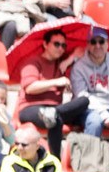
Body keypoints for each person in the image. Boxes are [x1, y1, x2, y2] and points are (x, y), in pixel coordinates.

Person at [14, 27, 89, 158]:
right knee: (54, 118)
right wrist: (56, 82)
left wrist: (69, 59)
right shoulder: (32, 62)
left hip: (55, 108)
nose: (60, 48)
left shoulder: (62, 63)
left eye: (63, 45)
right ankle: (56, 160)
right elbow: (30, 87)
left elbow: (83, 50)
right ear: (45, 44)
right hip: (31, 108)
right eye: (56, 44)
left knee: (84, 101)